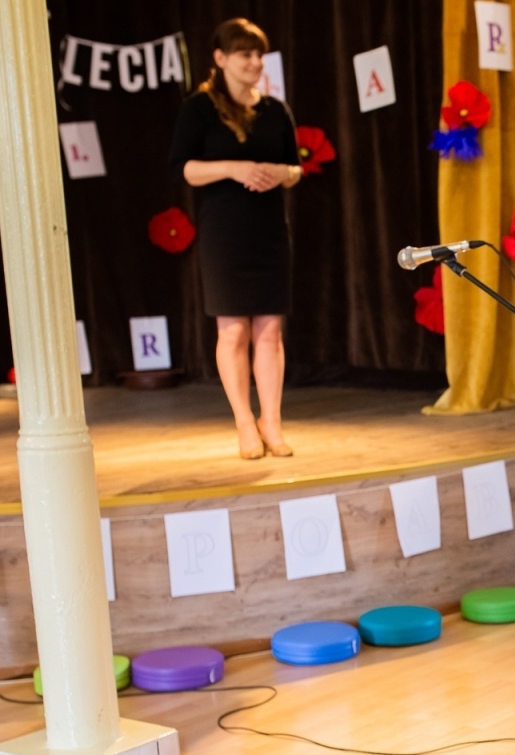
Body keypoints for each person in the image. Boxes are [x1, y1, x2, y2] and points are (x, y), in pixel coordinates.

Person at [169, 18, 302, 460]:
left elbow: (295, 167)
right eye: (245, 54)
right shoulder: (199, 108)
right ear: (221, 58)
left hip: (268, 231)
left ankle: (273, 422)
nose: (255, 62)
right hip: (224, 232)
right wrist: (234, 168)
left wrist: (282, 173)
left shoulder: (275, 110)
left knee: (270, 331)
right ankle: (245, 423)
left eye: (259, 54)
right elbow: (183, 168)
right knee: (233, 332)